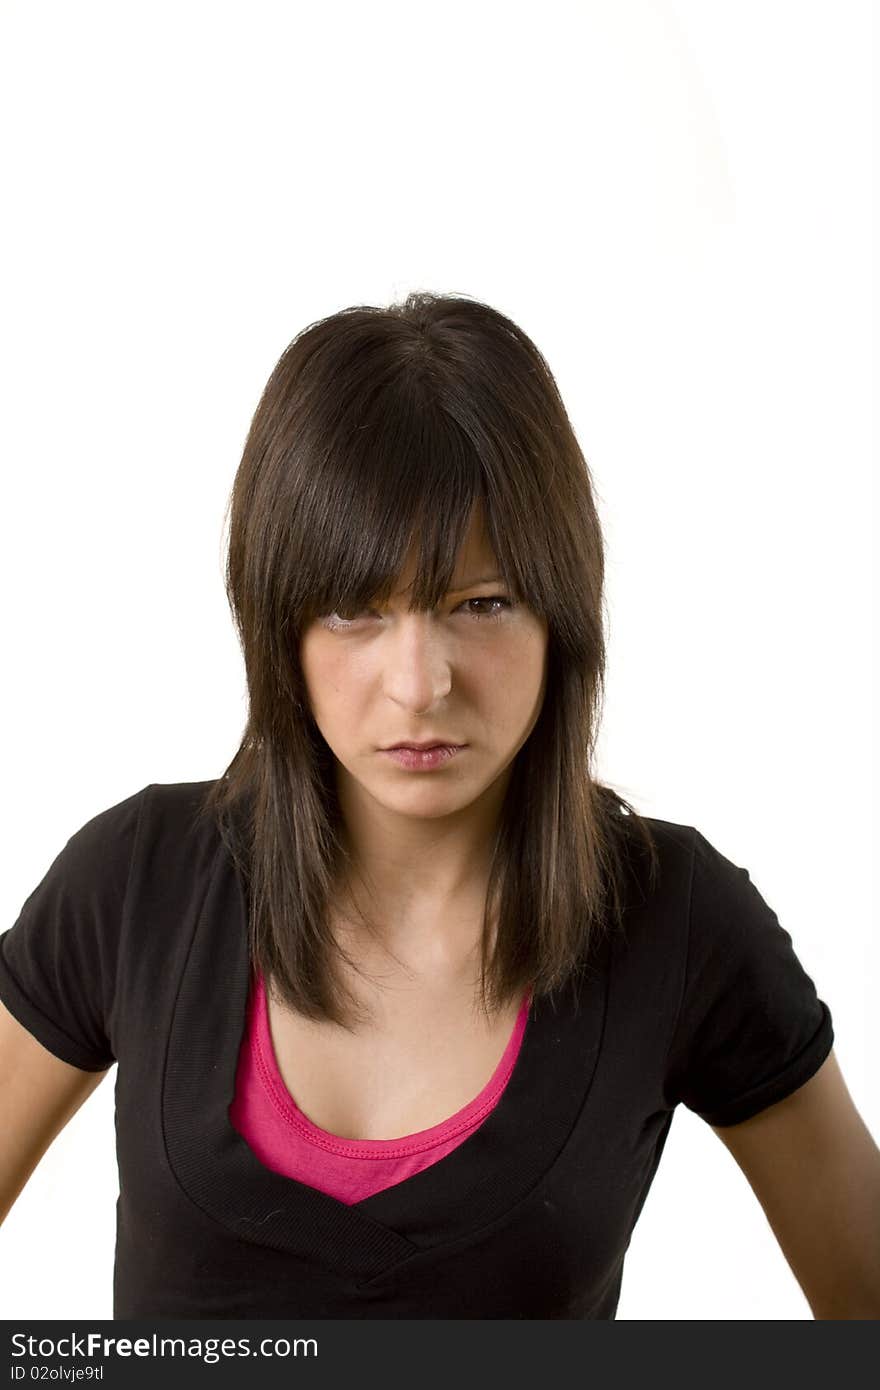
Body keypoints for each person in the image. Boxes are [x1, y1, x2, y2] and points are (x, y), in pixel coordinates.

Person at [1, 292, 878, 1320]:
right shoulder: (137, 881)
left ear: (563, 612)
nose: (419, 684)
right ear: (276, 624)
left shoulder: (677, 918)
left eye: (480, 603)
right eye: (355, 608)